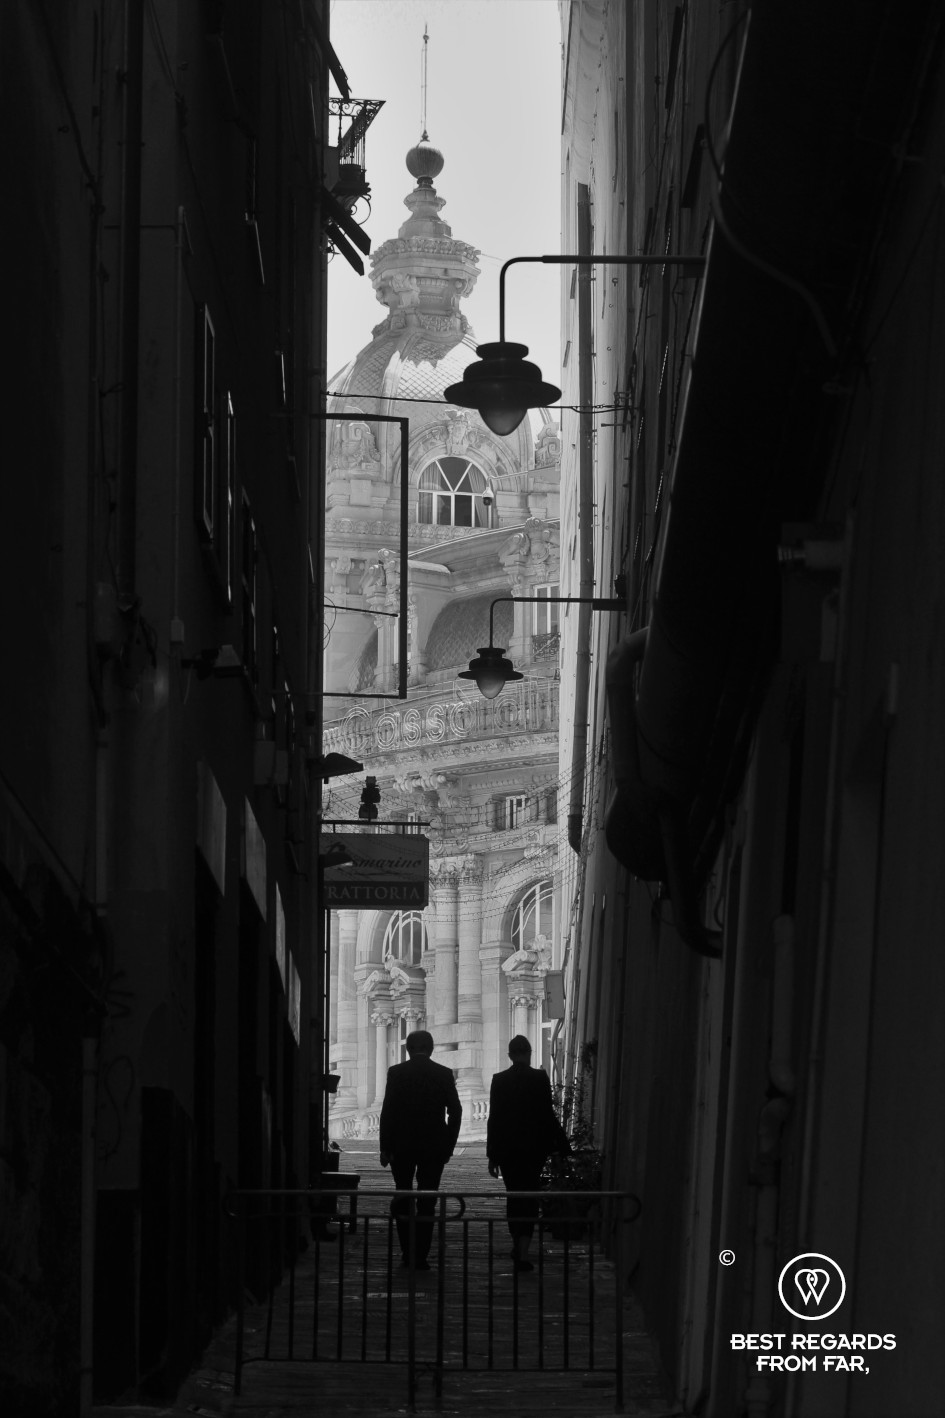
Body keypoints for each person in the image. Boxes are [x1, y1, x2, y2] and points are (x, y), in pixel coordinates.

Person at [379, 1029, 462, 1270]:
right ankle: (422, 1254)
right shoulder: (443, 1074)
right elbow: (455, 1111)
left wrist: (385, 1146)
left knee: (403, 1196)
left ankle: (407, 1251)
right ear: (432, 1048)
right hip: (433, 1147)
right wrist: (448, 1144)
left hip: (401, 1146)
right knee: (427, 1201)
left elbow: (388, 1112)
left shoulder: (396, 1072)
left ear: (408, 1049)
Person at [487, 1036, 570, 1271]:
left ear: (510, 1055)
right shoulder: (539, 1078)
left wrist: (492, 1155)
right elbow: (546, 1115)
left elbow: (495, 1120)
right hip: (534, 1150)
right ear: (529, 1053)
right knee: (530, 1197)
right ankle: (523, 1250)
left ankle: (517, 1242)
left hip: (509, 1152)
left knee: (514, 1197)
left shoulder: (499, 1080)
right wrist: (561, 1147)